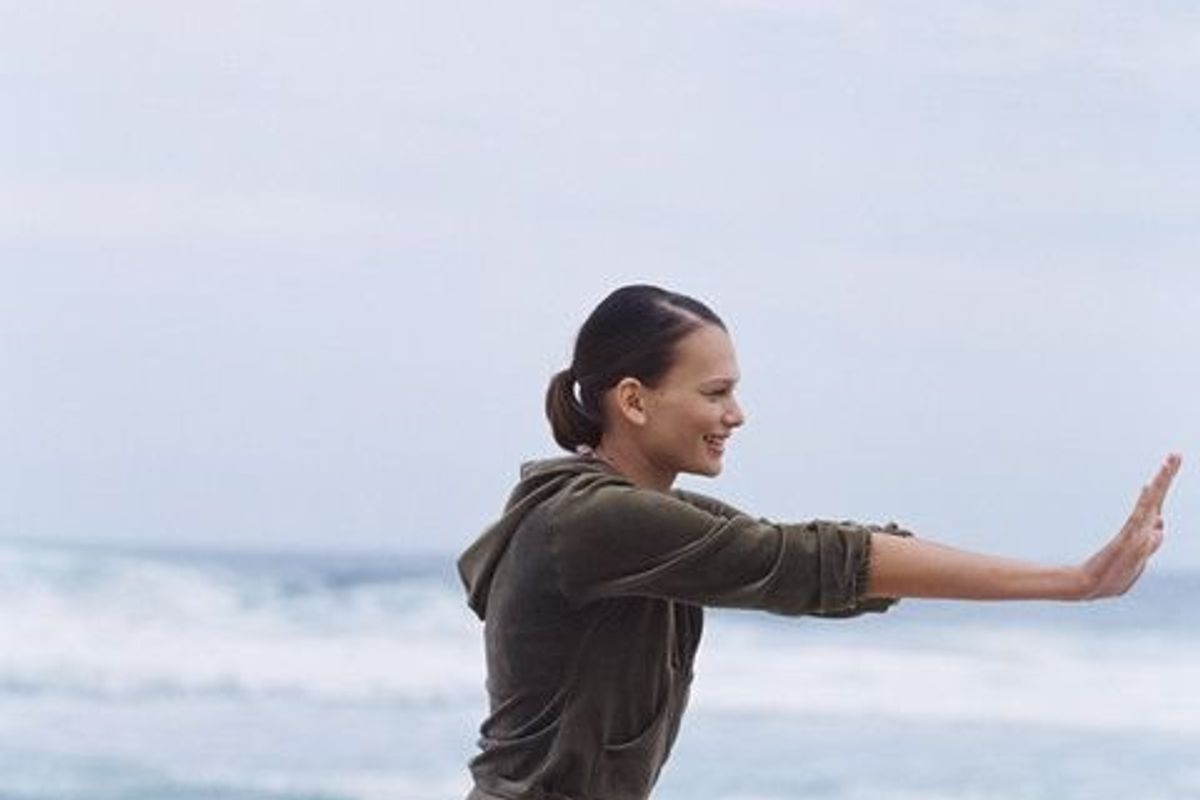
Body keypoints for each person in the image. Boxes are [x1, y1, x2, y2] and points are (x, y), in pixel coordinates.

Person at [457, 284, 1181, 800]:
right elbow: (808, 561)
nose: (736, 414)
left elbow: (816, 565)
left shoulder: (640, 522)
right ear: (635, 400)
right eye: (714, 392)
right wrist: (1071, 581)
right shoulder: (593, 523)